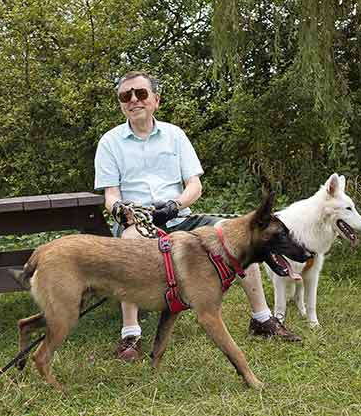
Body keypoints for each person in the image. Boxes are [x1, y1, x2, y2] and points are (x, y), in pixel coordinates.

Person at [94, 71, 301, 362]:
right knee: (129, 245)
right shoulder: (110, 142)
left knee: (242, 237)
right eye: (125, 96)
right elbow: (111, 195)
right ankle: (131, 336)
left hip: (180, 217)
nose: (133, 100)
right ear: (120, 103)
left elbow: (195, 185)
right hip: (137, 222)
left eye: (140, 94)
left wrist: (174, 205)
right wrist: (119, 210)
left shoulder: (175, 135)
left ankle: (262, 319)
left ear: (156, 99)